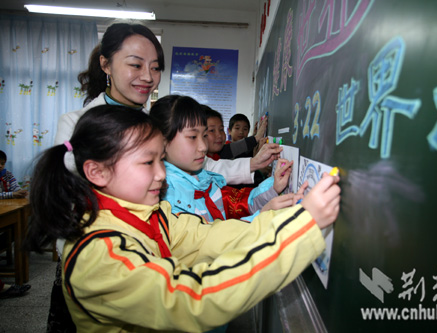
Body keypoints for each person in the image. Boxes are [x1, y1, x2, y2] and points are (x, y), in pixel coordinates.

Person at [26, 105, 341, 332]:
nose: (162, 174)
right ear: (97, 171)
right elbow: (194, 299)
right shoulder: (100, 255)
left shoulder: (152, 214)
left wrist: (291, 220)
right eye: (148, 162)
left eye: (160, 160)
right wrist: (301, 230)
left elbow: (210, 236)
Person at [54, 22, 279, 186]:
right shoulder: (74, 125)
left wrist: (253, 163)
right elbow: (65, 198)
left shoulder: (155, 123)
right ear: (106, 65)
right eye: (135, 65)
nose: (147, 77)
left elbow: (202, 165)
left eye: (155, 68)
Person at [150, 95, 296, 222]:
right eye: (193, 137)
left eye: (203, 135)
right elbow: (210, 240)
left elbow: (236, 203)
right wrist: (262, 216)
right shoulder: (165, 200)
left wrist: (273, 187)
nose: (203, 146)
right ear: (162, 141)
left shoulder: (204, 180)